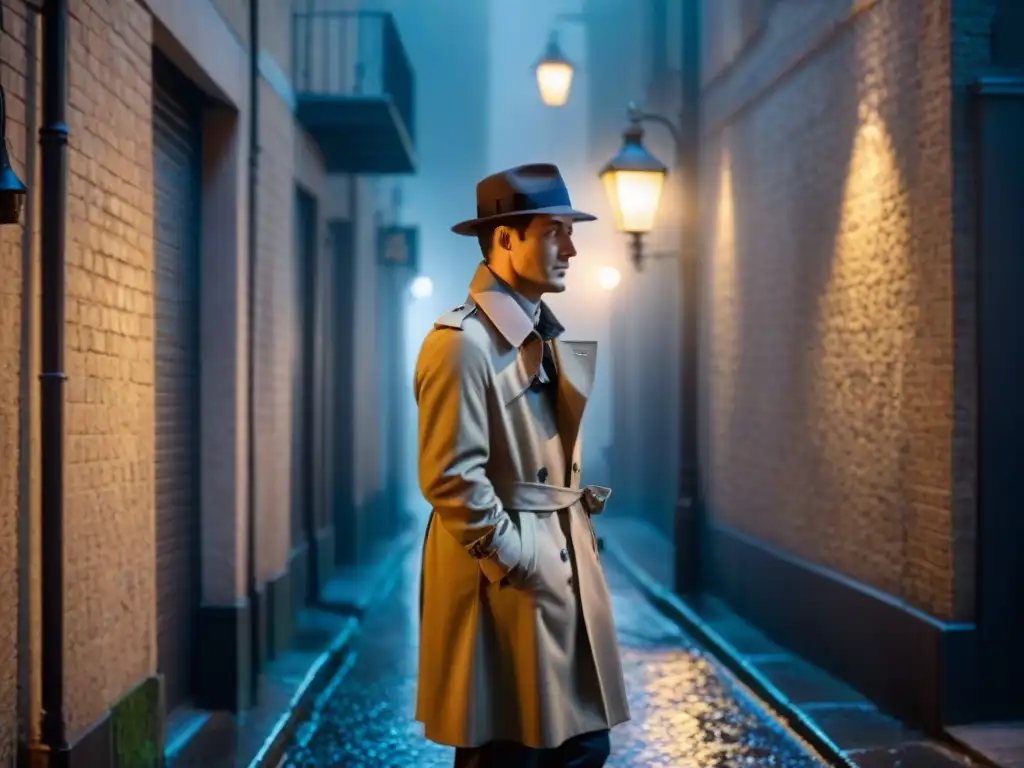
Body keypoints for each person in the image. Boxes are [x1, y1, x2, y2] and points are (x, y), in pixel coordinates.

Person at [414, 164, 630, 768]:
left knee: (582, 745)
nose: (571, 247)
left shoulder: (540, 335)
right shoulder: (460, 344)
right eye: (553, 230)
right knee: (510, 752)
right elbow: (450, 475)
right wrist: (514, 558)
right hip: (508, 589)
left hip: (560, 579)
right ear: (505, 238)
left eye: (570, 230)